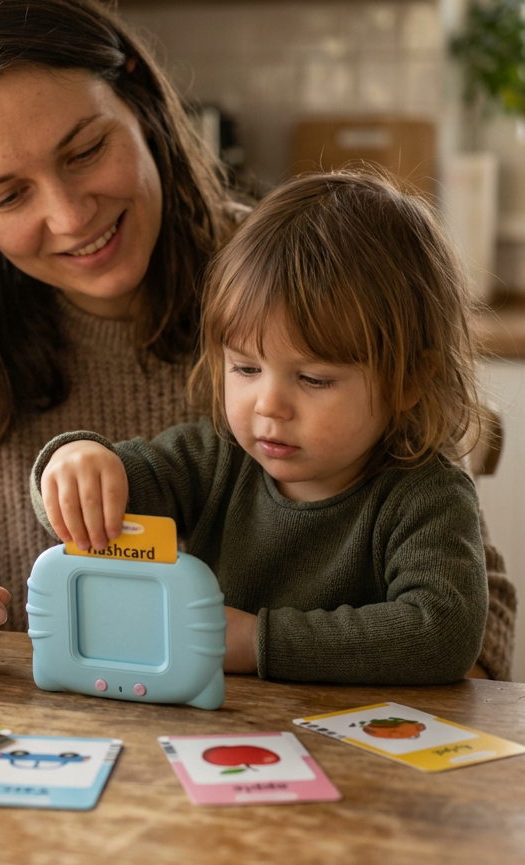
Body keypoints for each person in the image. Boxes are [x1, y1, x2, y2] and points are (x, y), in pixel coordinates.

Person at [0, 0, 515, 678]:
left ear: (137, 98)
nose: (70, 217)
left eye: (83, 152)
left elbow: (475, 619)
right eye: (7, 195)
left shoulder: (295, 286)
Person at [31, 171, 492, 684]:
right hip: (221, 724)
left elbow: (442, 634)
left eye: (314, 379)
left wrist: (258, 642)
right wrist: (73, 462)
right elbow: (100, 497)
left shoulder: (428, 497)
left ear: (408, 381)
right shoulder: (215, 459)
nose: (269, 405)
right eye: (246, 368)